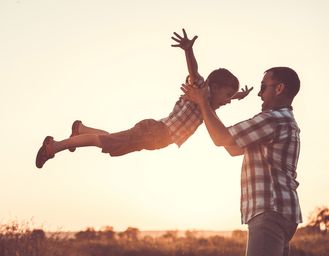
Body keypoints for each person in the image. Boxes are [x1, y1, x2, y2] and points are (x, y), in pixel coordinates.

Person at [35, 29, 252, 168]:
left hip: (155, 138)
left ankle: (81, 129)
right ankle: (54, 146)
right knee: (101, 142)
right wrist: (188, 51)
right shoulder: (201, 90)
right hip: (154, 131)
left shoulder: (208, 106)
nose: (227, 100)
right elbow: (194, 71)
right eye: (227, 95)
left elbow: (227, 99)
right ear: (214, 87)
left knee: (110, 143)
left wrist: (239, 96)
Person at [181, 66, 302, 256]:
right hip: (283, 211)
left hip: (269, 210)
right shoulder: (285, 121)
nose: (260, 94)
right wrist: (208, 105)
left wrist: (203, 102)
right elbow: (232, 148)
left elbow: (221, 138)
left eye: (264, 87)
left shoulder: (272, 119)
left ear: (279, 88)